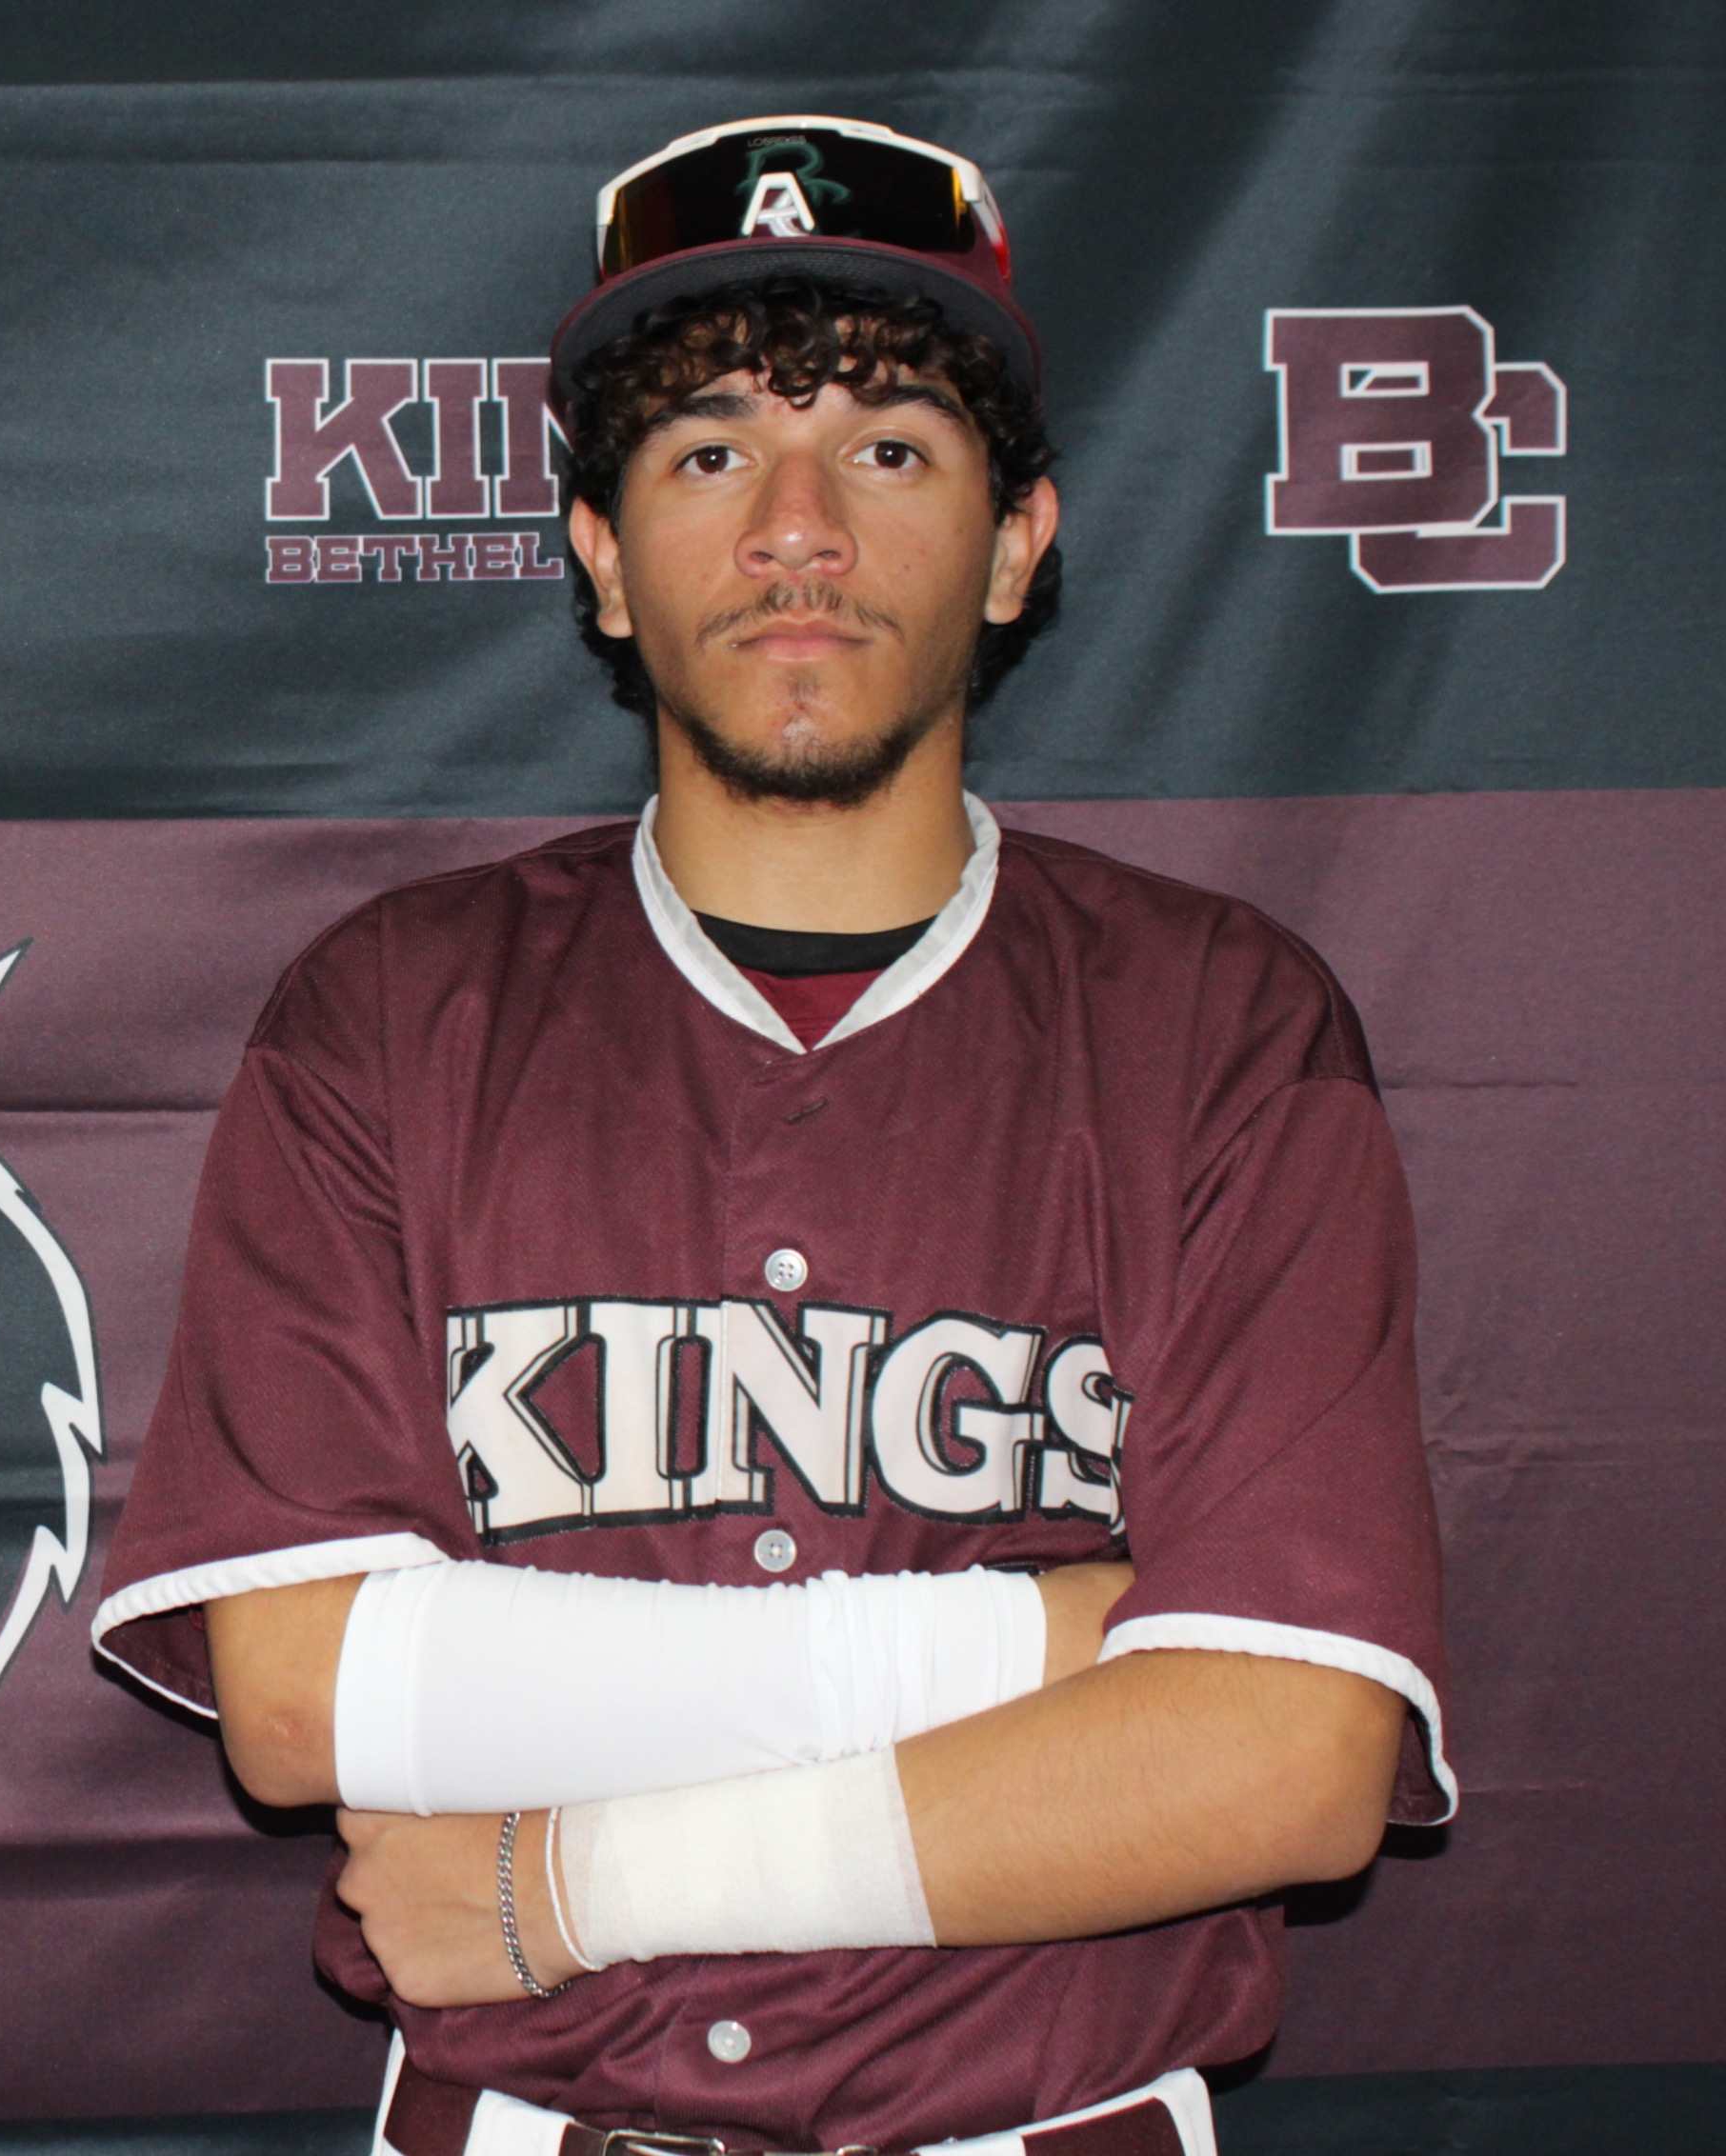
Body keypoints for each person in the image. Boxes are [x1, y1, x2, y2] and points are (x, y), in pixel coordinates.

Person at [93, 115, 1449, 2156]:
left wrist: (567, 1886)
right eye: (708, 452)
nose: (793, 530)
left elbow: (1288, 1757)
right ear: (597, 558)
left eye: (887, 449)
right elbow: (305, 1697)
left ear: (1017, 545)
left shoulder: (1223, 1030)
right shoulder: (388, 1014)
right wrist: (1051, 1642)